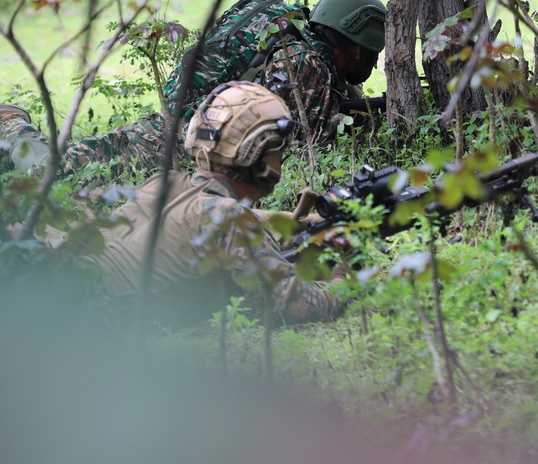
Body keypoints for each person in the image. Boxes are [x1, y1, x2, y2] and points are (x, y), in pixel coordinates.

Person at [0, 0, 386, 178]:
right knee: (46, 171)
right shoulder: (307, 63)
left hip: (172, 132)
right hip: (170, 148)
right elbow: (305, 139)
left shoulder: (291, 34)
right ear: (358, 45)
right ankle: (8, 120)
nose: (372, 63)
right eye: (373, 52)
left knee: (46, 167)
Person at [74, 80, 346, 326]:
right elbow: (294, 305)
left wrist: (304, 224)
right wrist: (345, 280)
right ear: (262, 157)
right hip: (91, 320)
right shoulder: (227, 217)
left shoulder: (164, 184)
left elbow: (215, 210)